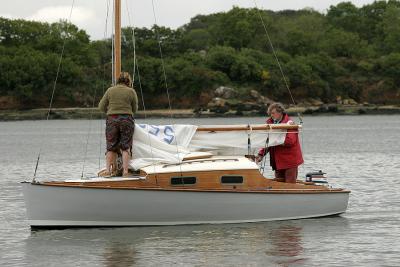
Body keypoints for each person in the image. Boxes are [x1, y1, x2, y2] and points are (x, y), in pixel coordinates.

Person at [98, 72, 138, 177]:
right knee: (126, 147)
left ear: (117, 80)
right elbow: (135, 109)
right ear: (129, 81)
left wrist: (111, 111)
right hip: (126, 120)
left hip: (112, 119)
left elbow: (101, 106)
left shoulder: (110, 90)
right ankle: (125, 171)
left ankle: (108, 170)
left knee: (110, 147)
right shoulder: (131, 91)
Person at [256, 103, 303, 183]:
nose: (271, 115)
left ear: (280, 112)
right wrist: (261, 155)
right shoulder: (270, 124)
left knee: (290, 185)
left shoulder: (290, 124)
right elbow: (268, 142)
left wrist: (275, 140)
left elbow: (290, 142)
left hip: (290, 161)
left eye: (273, 113)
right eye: (270, 113)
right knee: (279, 183)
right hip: (278, 162)